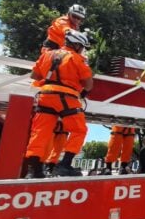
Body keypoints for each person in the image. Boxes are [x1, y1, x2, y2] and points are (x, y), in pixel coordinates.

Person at [23, 30, 93, 178]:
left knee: (40, 132)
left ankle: (35, 170)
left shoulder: (47, 55)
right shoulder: (77, 58)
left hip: (45, 95)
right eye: (82, 46)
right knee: (79, 130)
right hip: (67, 97)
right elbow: (88, 84)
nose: (82, 49)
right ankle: (64, 165)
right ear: (76, 44)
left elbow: (34, 75)